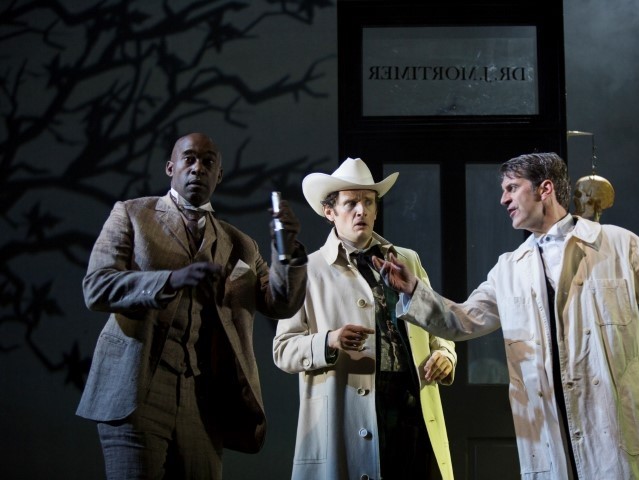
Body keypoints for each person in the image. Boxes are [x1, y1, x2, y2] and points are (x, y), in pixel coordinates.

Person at [375, 152, 639, 479]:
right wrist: (413, 290)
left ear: (545, 189)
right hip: (550, 427)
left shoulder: (620, 245)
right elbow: (462, 320)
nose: (503, 199)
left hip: (614, 419)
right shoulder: (509, 268)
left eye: (511, 188)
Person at [78, 132, 308, 479]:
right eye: (189, 159)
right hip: (137, 390)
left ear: (220, 175)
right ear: (171, 167)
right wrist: (170, 280)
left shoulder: (239, 243)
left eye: (208, 162)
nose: (198, 168)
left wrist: (286, 249)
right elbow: (97, 287)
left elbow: (280, 304)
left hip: (204, 400)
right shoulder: (133, 215)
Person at [273, 158, 457, 480]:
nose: (361, 210)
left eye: (368, 202)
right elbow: (283, 349)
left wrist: (445, 353)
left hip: (410, 400)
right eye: (351, 203)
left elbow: (437, 320)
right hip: (348, 406)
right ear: (330, 212)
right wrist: (328, 341)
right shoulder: (310, 269)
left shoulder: (406, 259)